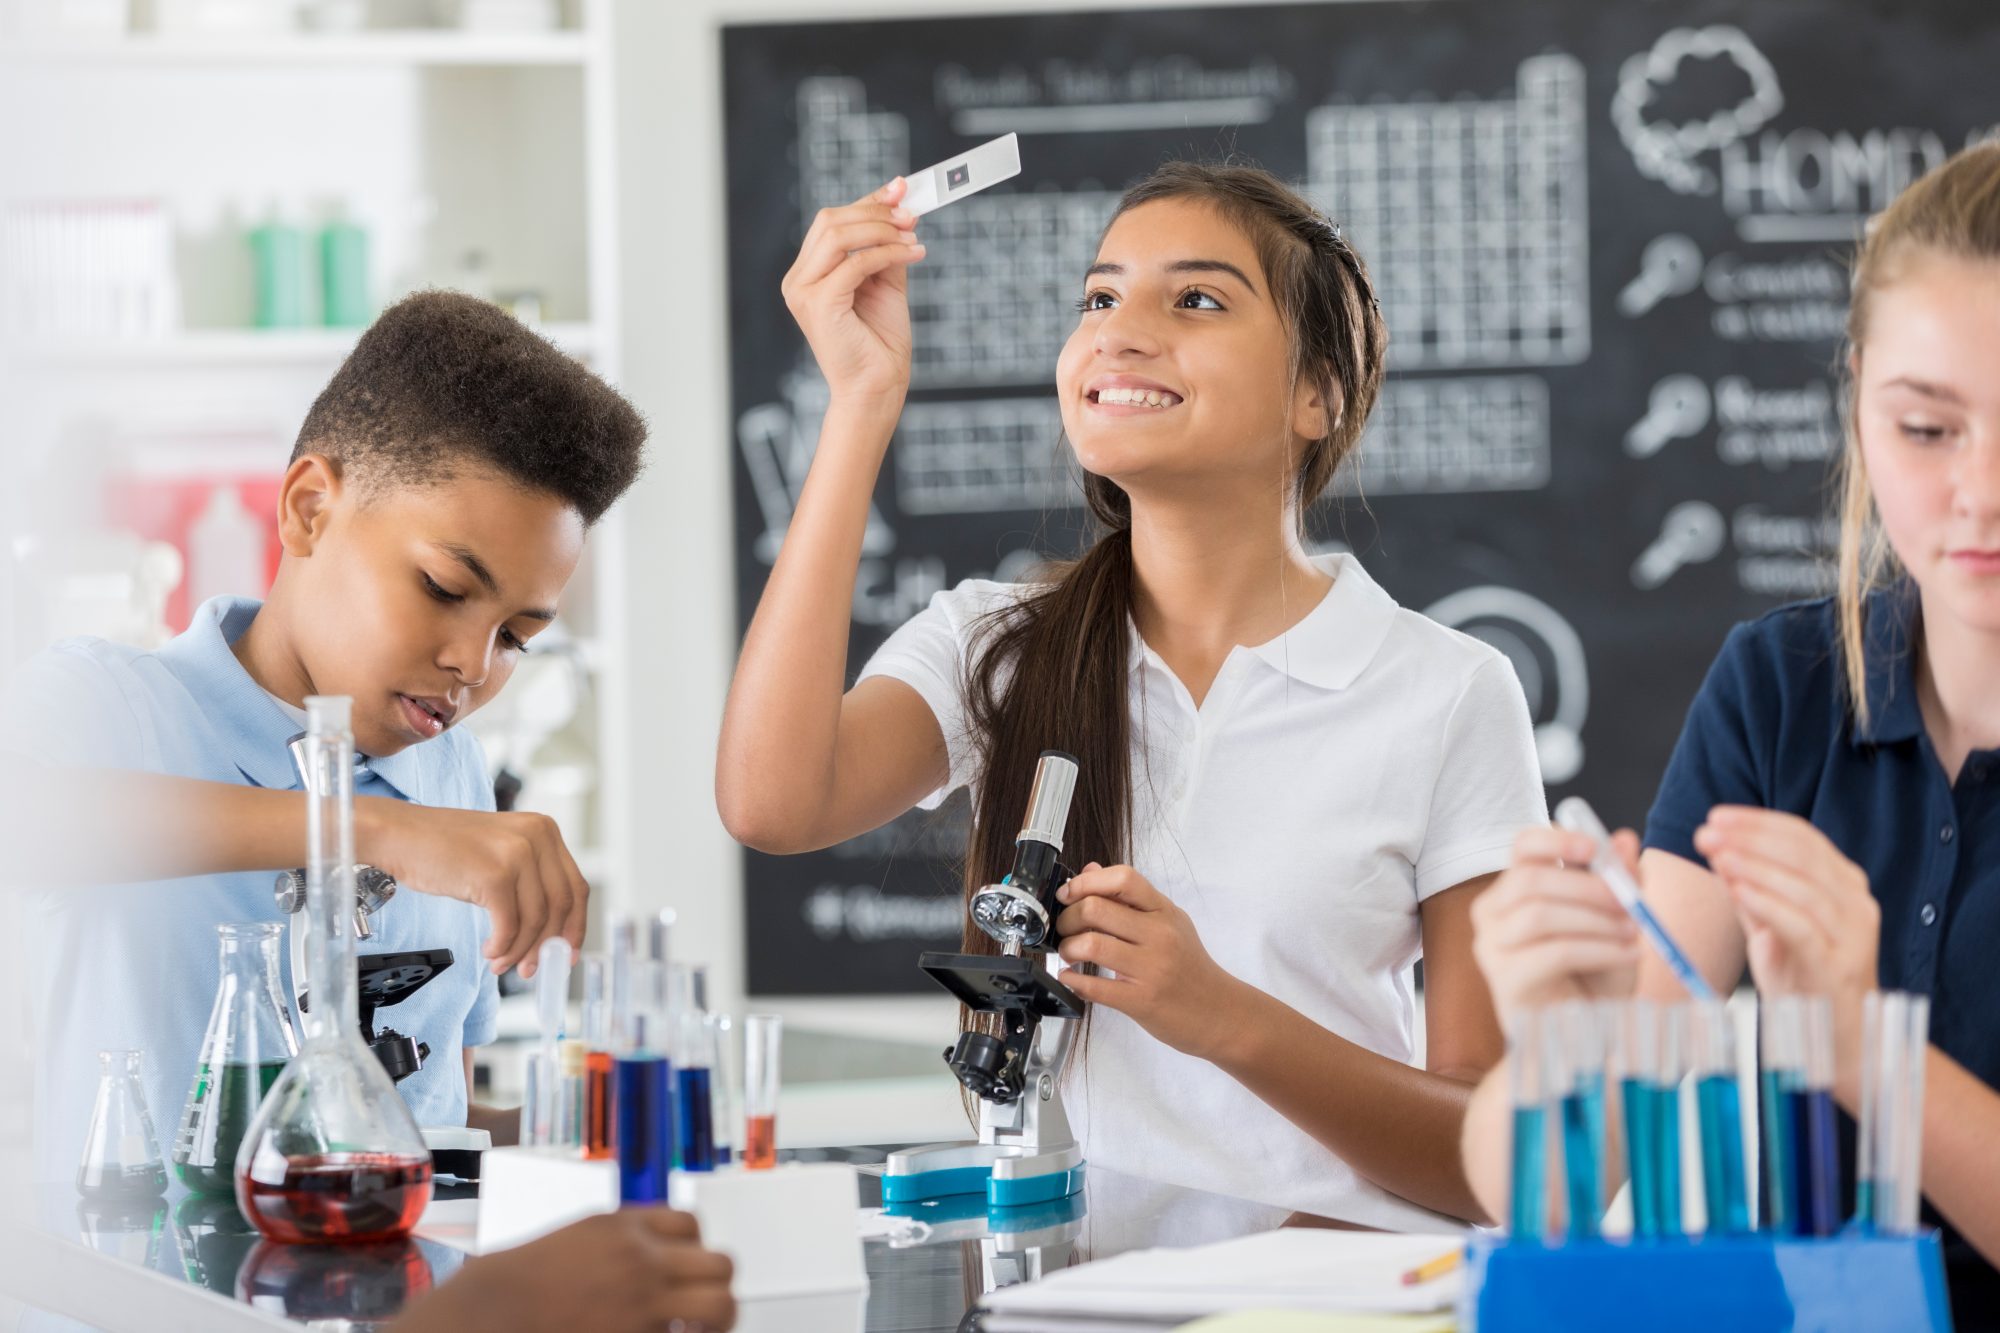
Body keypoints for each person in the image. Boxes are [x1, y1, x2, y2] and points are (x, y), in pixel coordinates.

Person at [717, 161, 1547, 1226]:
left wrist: (1218, 1015)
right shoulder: (1000, 645)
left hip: (1328, 1301)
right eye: (1099, 298)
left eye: (1195, 299)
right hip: (1064, 1295)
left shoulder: (1445, 692)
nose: (1117, 330)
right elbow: (772, 802)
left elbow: (1488, 1165)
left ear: (1317, 394)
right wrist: (859, 402)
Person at [1461, 141, 2000, 1321]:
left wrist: (1854, 1042)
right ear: (1857, 396)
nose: (1979, 493)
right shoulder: (1781, 688)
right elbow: (1543, 1187)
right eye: (1925, 429)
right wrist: (1569, 1039)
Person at [0, 291, 628, 1176]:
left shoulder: (449, 770)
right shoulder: (112, 709)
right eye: (446, 587)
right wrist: (370, 832)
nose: (473, 665)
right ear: (307, 509)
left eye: (516, 637)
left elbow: (428, 1112)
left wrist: (581, 1129)